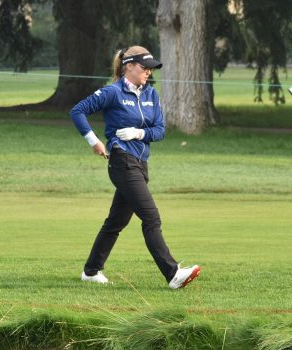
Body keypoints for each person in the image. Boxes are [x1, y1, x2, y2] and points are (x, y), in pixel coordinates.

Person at [69, 46, 200, 290]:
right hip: (121, 161)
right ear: (128, 66)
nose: (148, 72)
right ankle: (173, 274)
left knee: (115, 222)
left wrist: (139, 132)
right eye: (144, 67)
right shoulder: (113, 92)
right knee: (151, 217)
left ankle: (91, 270)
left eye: (151, 68)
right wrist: (94, 141)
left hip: (141, 164)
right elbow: (77, 111)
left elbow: (160, 130)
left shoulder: (151, 95)